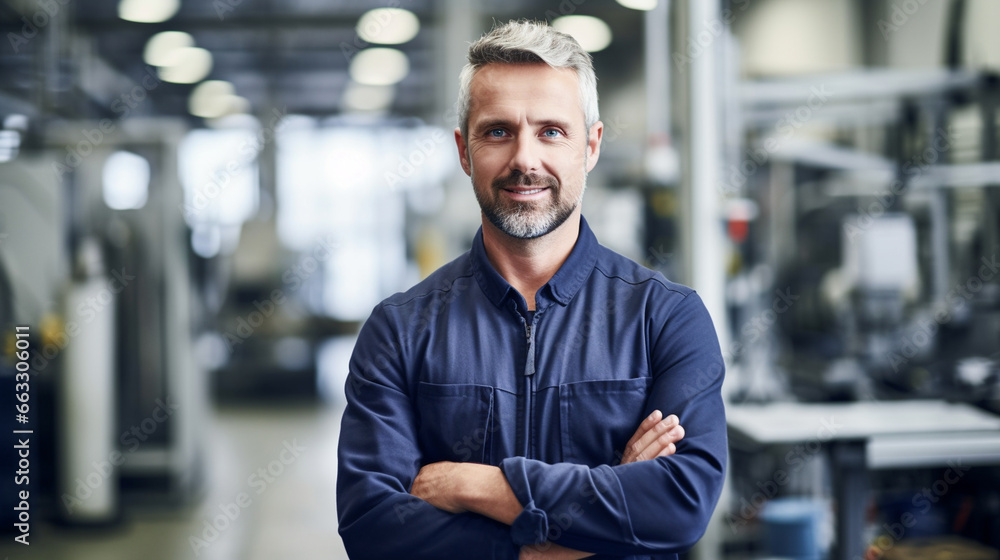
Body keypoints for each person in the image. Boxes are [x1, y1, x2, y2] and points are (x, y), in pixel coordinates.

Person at [337, 19, 727, 560]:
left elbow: (680, 503)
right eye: (498, 131)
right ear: (463, 150)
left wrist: (477, 487)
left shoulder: (665, 317)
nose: (525, 159)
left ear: (590, 146)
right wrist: (576, 532)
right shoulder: (400, 329)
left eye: (551, 131)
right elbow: (373, 526)